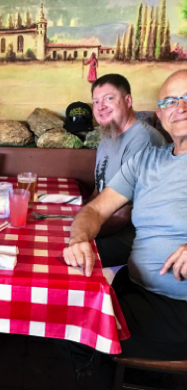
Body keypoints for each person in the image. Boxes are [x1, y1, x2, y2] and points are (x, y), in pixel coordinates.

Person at [63, 69, 187, 387]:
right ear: (160, 113)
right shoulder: (147, 159)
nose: (181, 107)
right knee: (67, 297)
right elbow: (94, 209)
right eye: (171, 101)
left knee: (81, 324)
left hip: (178, 311)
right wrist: (79, 237)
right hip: (134, 290)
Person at [89, 74, 166, 267]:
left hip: (134, 240)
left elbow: (124, 214)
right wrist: (78, 218)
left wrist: (82, 232)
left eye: (109, 98)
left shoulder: (144, 139)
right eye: (96, 101)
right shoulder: (108, 136)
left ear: (128, 100)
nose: (100, 106)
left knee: (66, 256)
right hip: (109, 228)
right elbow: (98, 192)